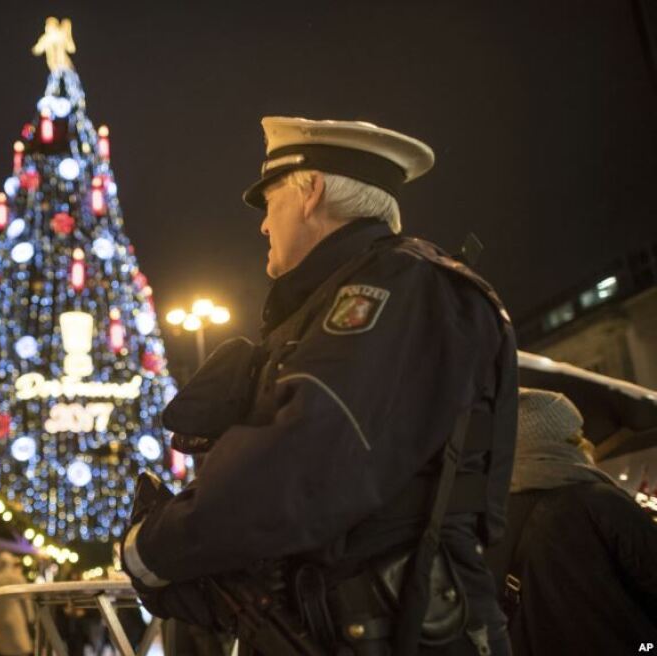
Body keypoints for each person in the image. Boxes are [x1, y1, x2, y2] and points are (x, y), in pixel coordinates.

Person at [122, 117, 519, 655]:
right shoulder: (346, 297)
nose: (263, 225)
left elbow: (302, 458)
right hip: (347, 625)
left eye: (271, 200)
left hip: (398, 630)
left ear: (310, 191)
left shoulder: (397, 286)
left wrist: (153, 547)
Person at [484, 388, 657, 654]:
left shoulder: (487, 523)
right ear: (558, 443)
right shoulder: (599, 501)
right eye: (576, 437)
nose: (587, 444)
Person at [0, 552, 33, 656]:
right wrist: (30, 618)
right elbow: (26, 602)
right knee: (21, 649)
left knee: (1, 651)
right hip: (17, 620)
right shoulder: (19, 579)